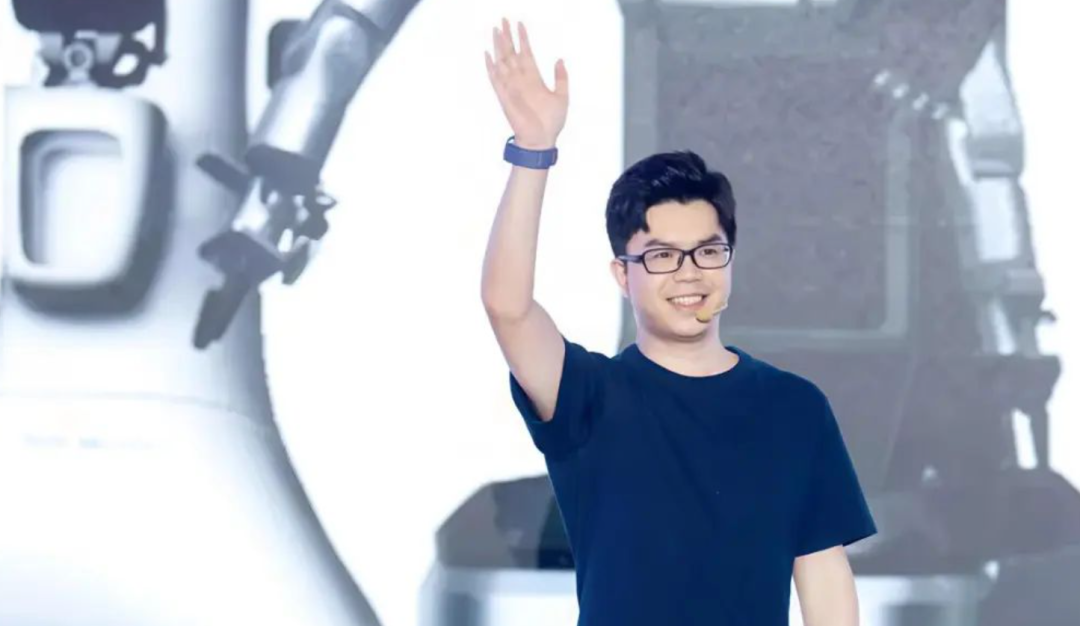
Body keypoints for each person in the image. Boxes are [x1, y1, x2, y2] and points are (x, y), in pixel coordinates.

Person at [481, 18, 877, 626]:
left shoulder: (794, 408)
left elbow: (826, 587)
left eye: (708, 251)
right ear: (623, 275)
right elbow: (507, 307)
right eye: (662, 257)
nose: (690, 274)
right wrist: (534, 151)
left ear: (730, 258)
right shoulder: (588, 397)